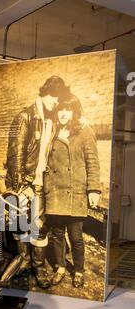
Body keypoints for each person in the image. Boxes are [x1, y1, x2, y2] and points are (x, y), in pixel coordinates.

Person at [5, 76, 69, 288]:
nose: (55, 100)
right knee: (23, 224)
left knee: (40, 227)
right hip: (25, 182)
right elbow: (15, 152)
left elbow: (73, 114)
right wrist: (20, 183)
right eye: (52, 95)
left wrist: (82, 121)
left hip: (42, 181)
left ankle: (38, 266)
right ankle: (23, 263)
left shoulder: (52, 120)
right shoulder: (25, 116)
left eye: (58, 97)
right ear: (43, 93)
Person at [44, 93, 101, 288]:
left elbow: (92, 162)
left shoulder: (85, 132)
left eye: (68, 109)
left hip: (76, 193)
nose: (63, 114)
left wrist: (94, 189)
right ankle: (60, 267)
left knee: (76, 238)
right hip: (56, 194)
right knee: (57, 235)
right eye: (60, 109)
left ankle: (78, 270)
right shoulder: (51, 132)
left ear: (74, 111)